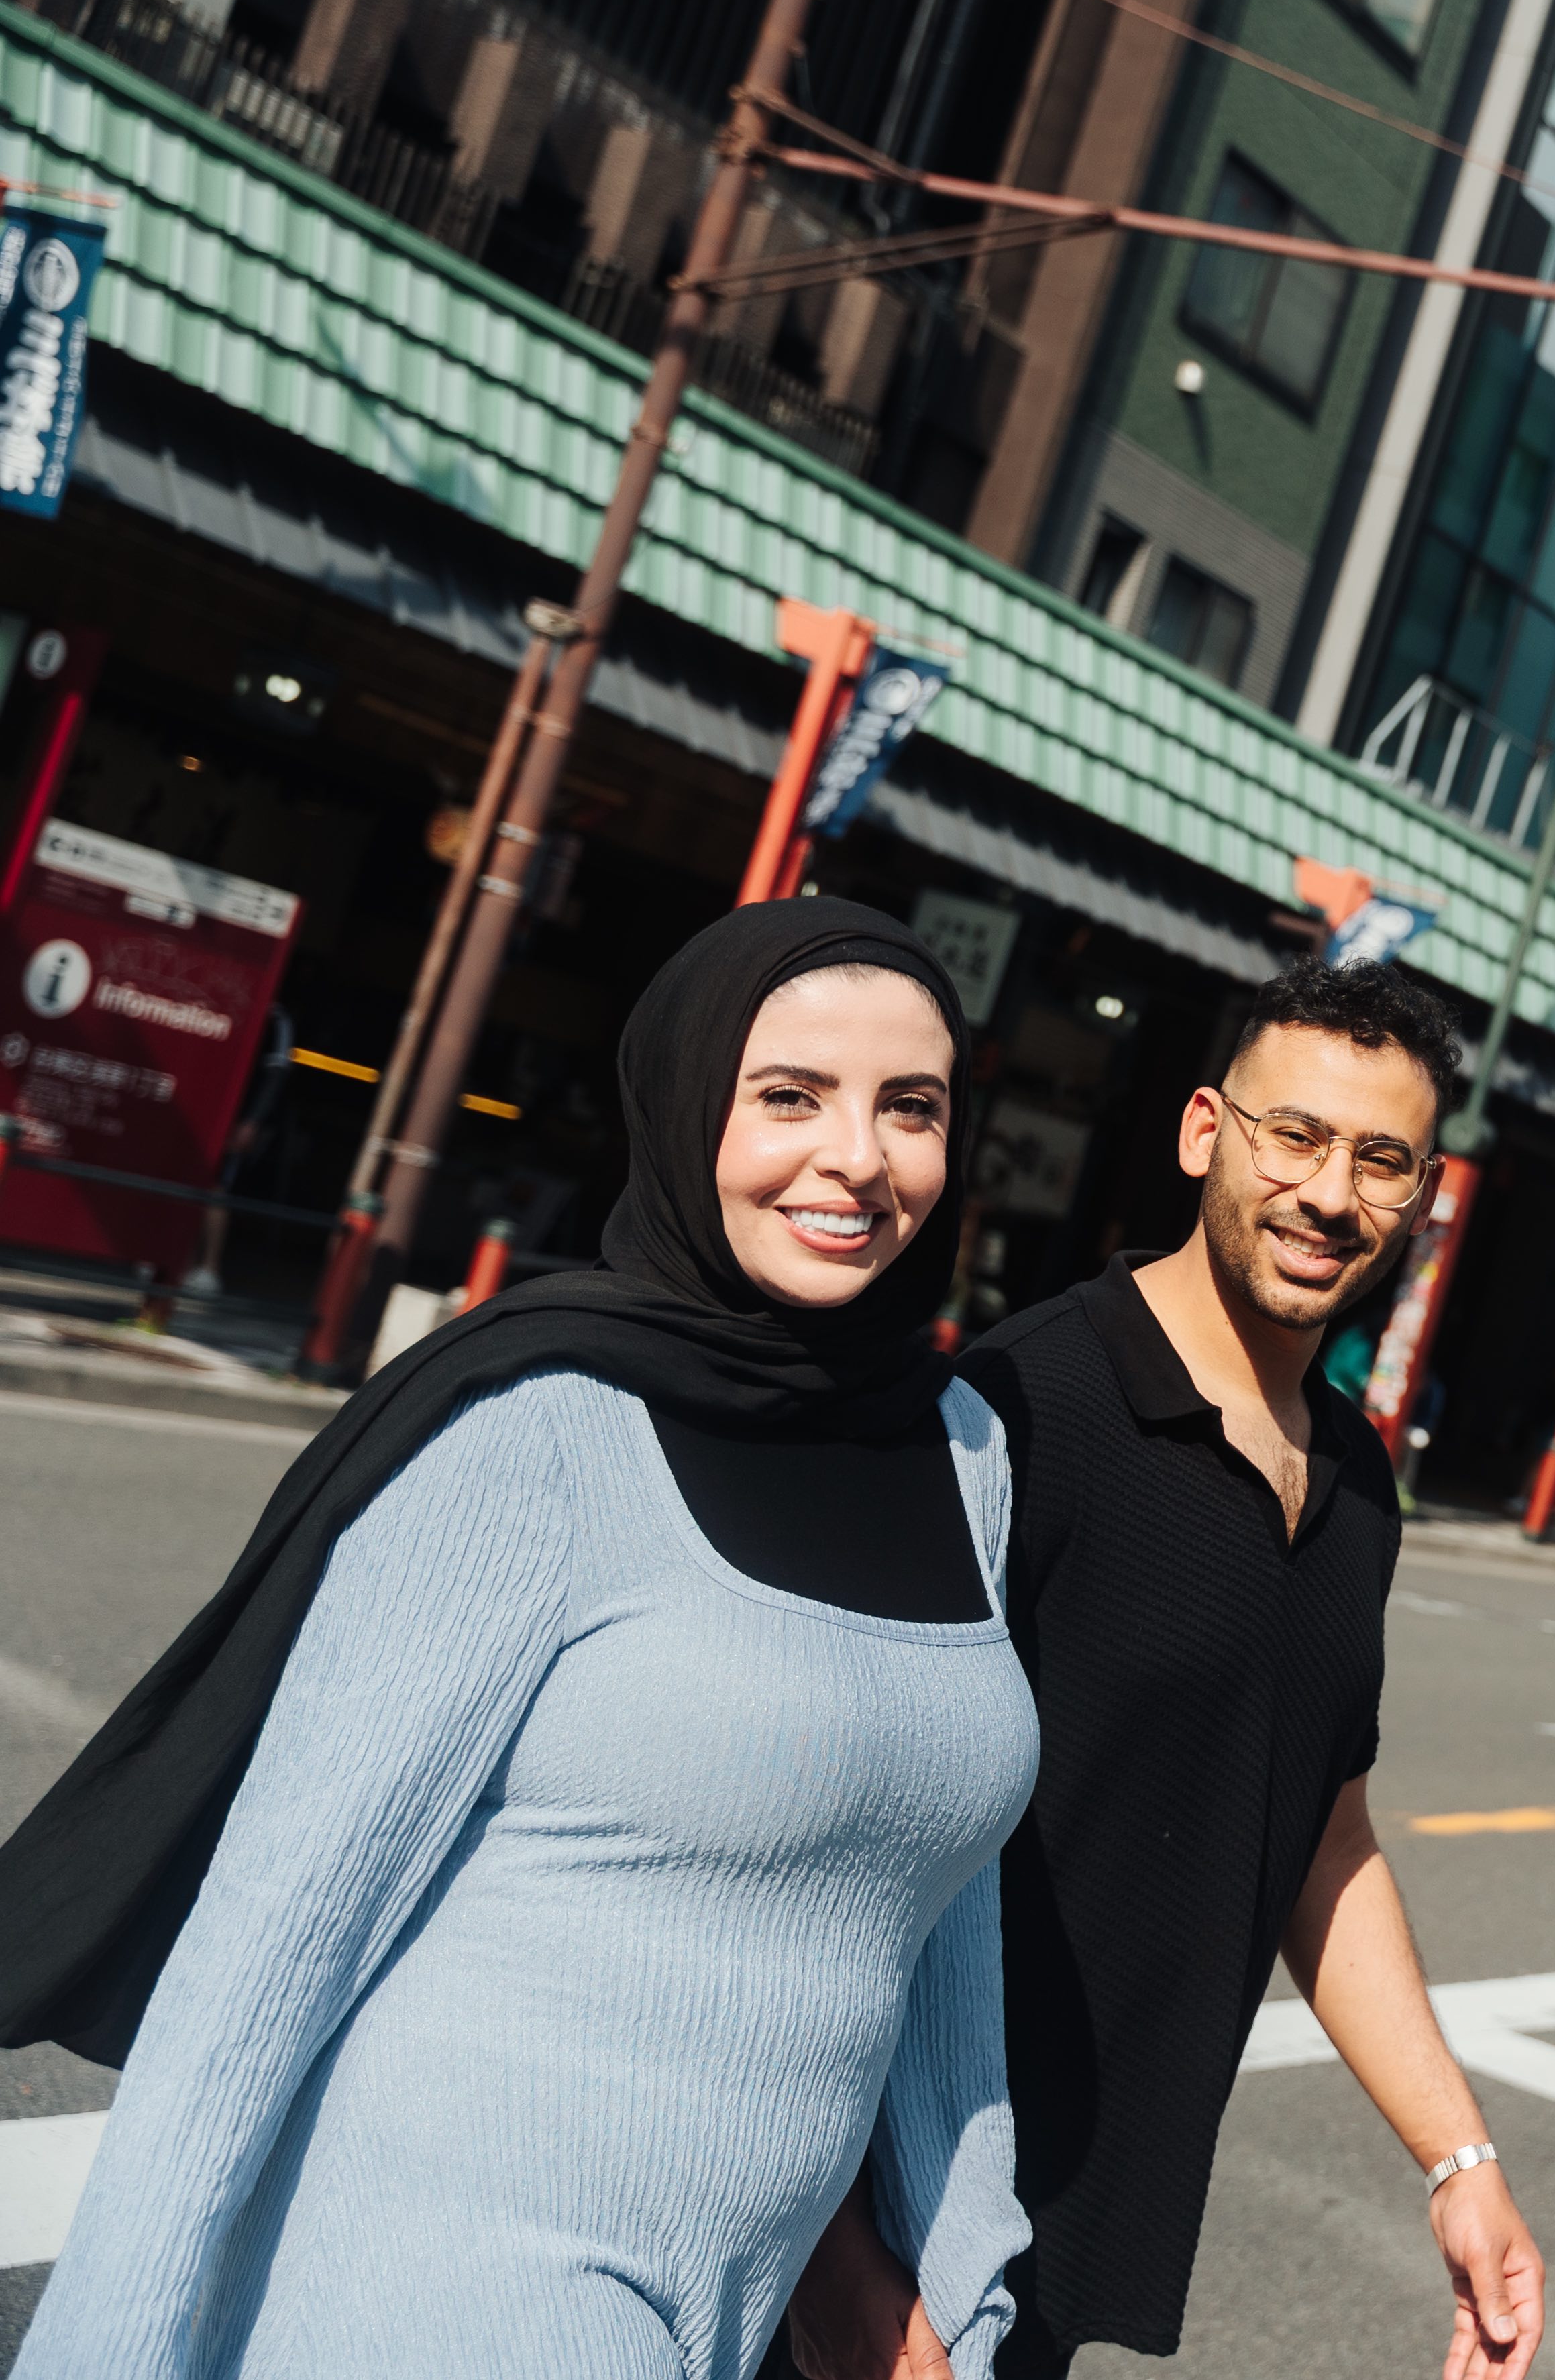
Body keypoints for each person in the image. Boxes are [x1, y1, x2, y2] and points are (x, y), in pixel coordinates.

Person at [0, 899, 1033, 2376]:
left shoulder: (961, 1447)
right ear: (685, 1108)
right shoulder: (535, 1427)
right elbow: (269, 1946)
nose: (857, 1156)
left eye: (911, 1107)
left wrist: (946, 2269)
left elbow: (941, 1915)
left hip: (725, 2303)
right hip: (453, 2274)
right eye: (789, 1095)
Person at [789, 953, 1544, 2380]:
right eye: (1296, 1135)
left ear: (1426, 1199)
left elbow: (1324, 1841)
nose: (1332, 1192)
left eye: (1383, 1158)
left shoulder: (1355, 1484)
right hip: (882, 2241)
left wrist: (1461, 2160)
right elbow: (829, 1851)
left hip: (1060, 2234)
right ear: (1206, 1133)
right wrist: (852, 2281)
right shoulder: (1018, 1411)